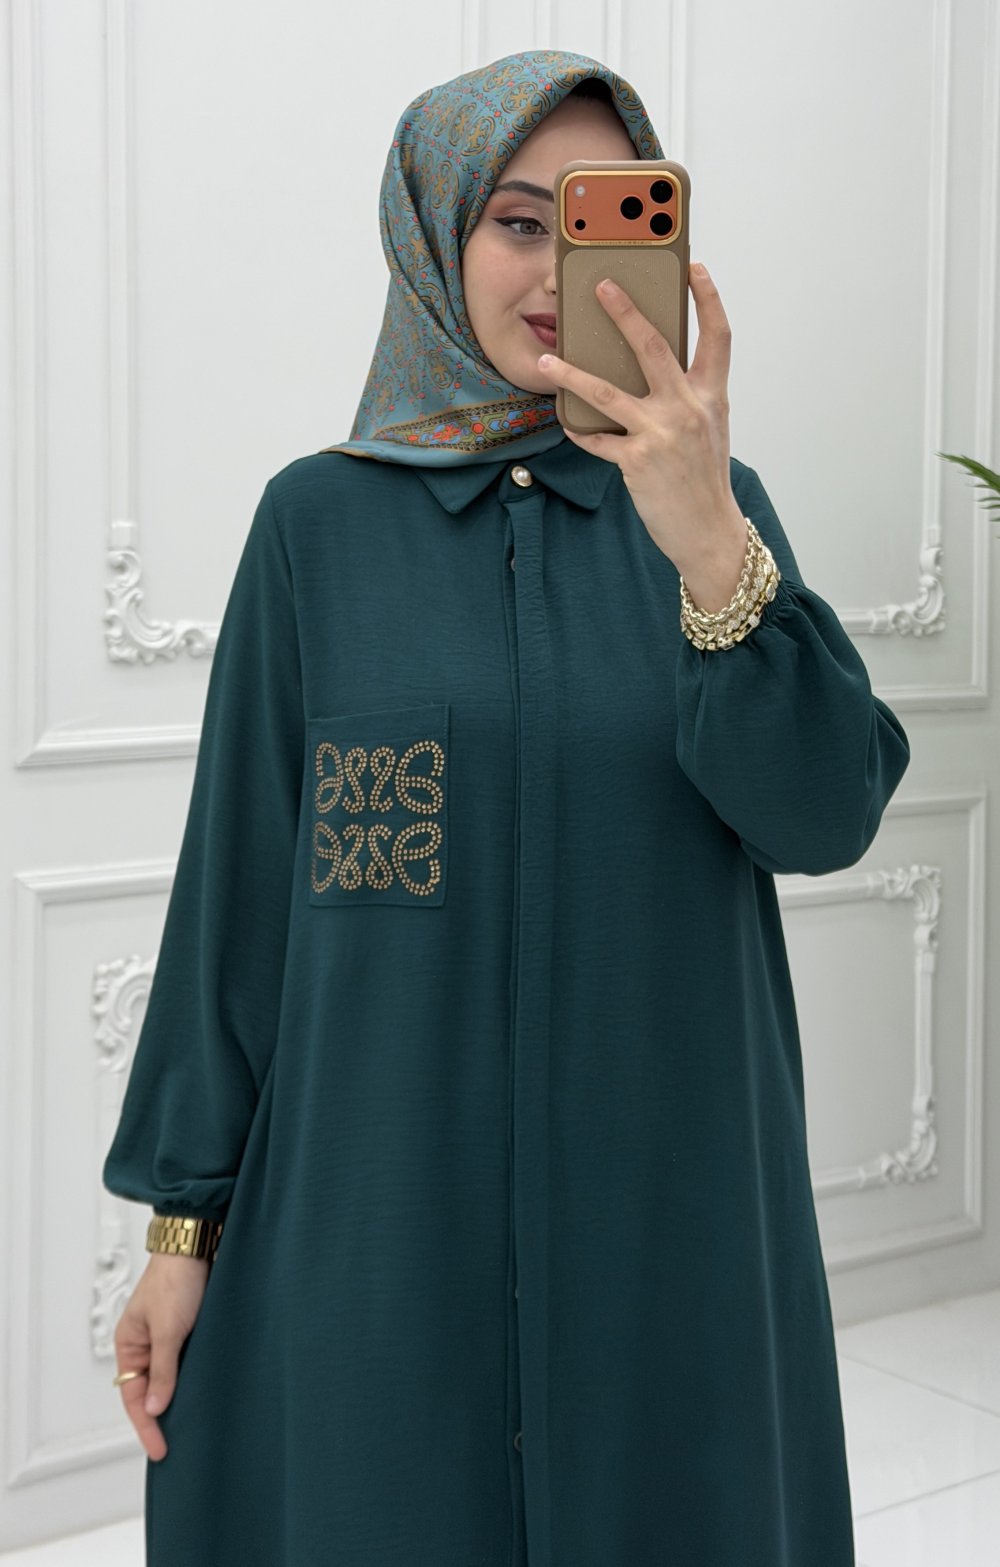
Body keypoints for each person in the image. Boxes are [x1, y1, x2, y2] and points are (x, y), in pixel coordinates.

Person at [102, 48, 910, 1567]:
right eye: (519, 222)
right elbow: (240, 899)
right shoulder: (317, 526)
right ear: (436, 233)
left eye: (602, 223)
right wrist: (176, 1231)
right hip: (382, 1228)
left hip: (667, 1220)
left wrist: (708, 545)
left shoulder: (715, 511)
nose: (557, 274)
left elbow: (826, 816)